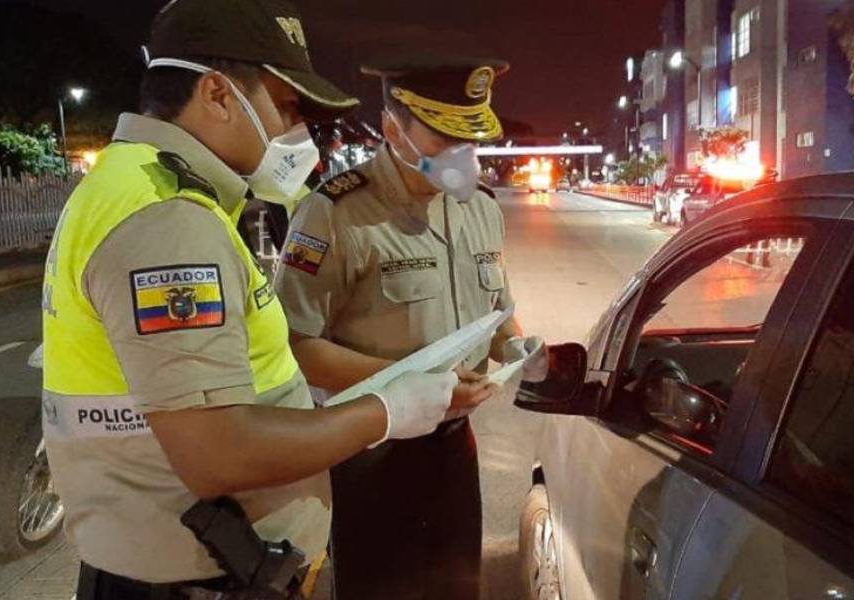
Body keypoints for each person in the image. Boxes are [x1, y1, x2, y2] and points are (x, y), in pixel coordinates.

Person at [39, 2, 465, 598]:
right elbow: (217, 454)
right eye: (288, 107)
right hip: (199, 578)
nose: (300, 132)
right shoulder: (168, 219)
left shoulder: (135, 186)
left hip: (192, 567)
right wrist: (386, 411)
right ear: (216, 95)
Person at [273, 51, 547, 599]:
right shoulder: (335, 212)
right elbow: (296, 343)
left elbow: (497, 312)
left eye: (470, 141)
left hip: (453, 450)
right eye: (444, 138)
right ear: (391, 127)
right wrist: (408, 386)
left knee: (457, 587)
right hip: (368, 448)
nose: (461, 157)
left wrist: (521, 347)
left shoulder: (480, 209)